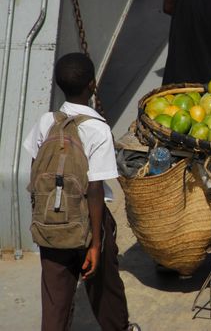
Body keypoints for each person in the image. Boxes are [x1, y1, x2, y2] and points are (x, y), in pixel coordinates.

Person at [23, 53, 140, 331]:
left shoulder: (45, 121)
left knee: (54, 298)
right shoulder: (97, 129)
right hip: (89, 222)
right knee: (105, 289)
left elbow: (36, 171)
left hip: (51, 222)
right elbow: (95, 187)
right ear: (92, 85)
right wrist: (96, 244)